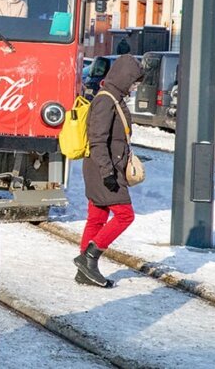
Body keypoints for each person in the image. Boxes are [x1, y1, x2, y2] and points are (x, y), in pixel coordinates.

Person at [75, 54, 143, 287]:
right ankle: (89, 257)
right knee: (125, 215)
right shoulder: (106, 100)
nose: (134, 87)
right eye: (134, 82)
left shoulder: (114, 97)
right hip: (103, 170)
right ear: (124, 77)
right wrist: (108, 173)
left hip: (105, 167)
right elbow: (97, 140)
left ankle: (85, 271)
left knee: (97, 217)